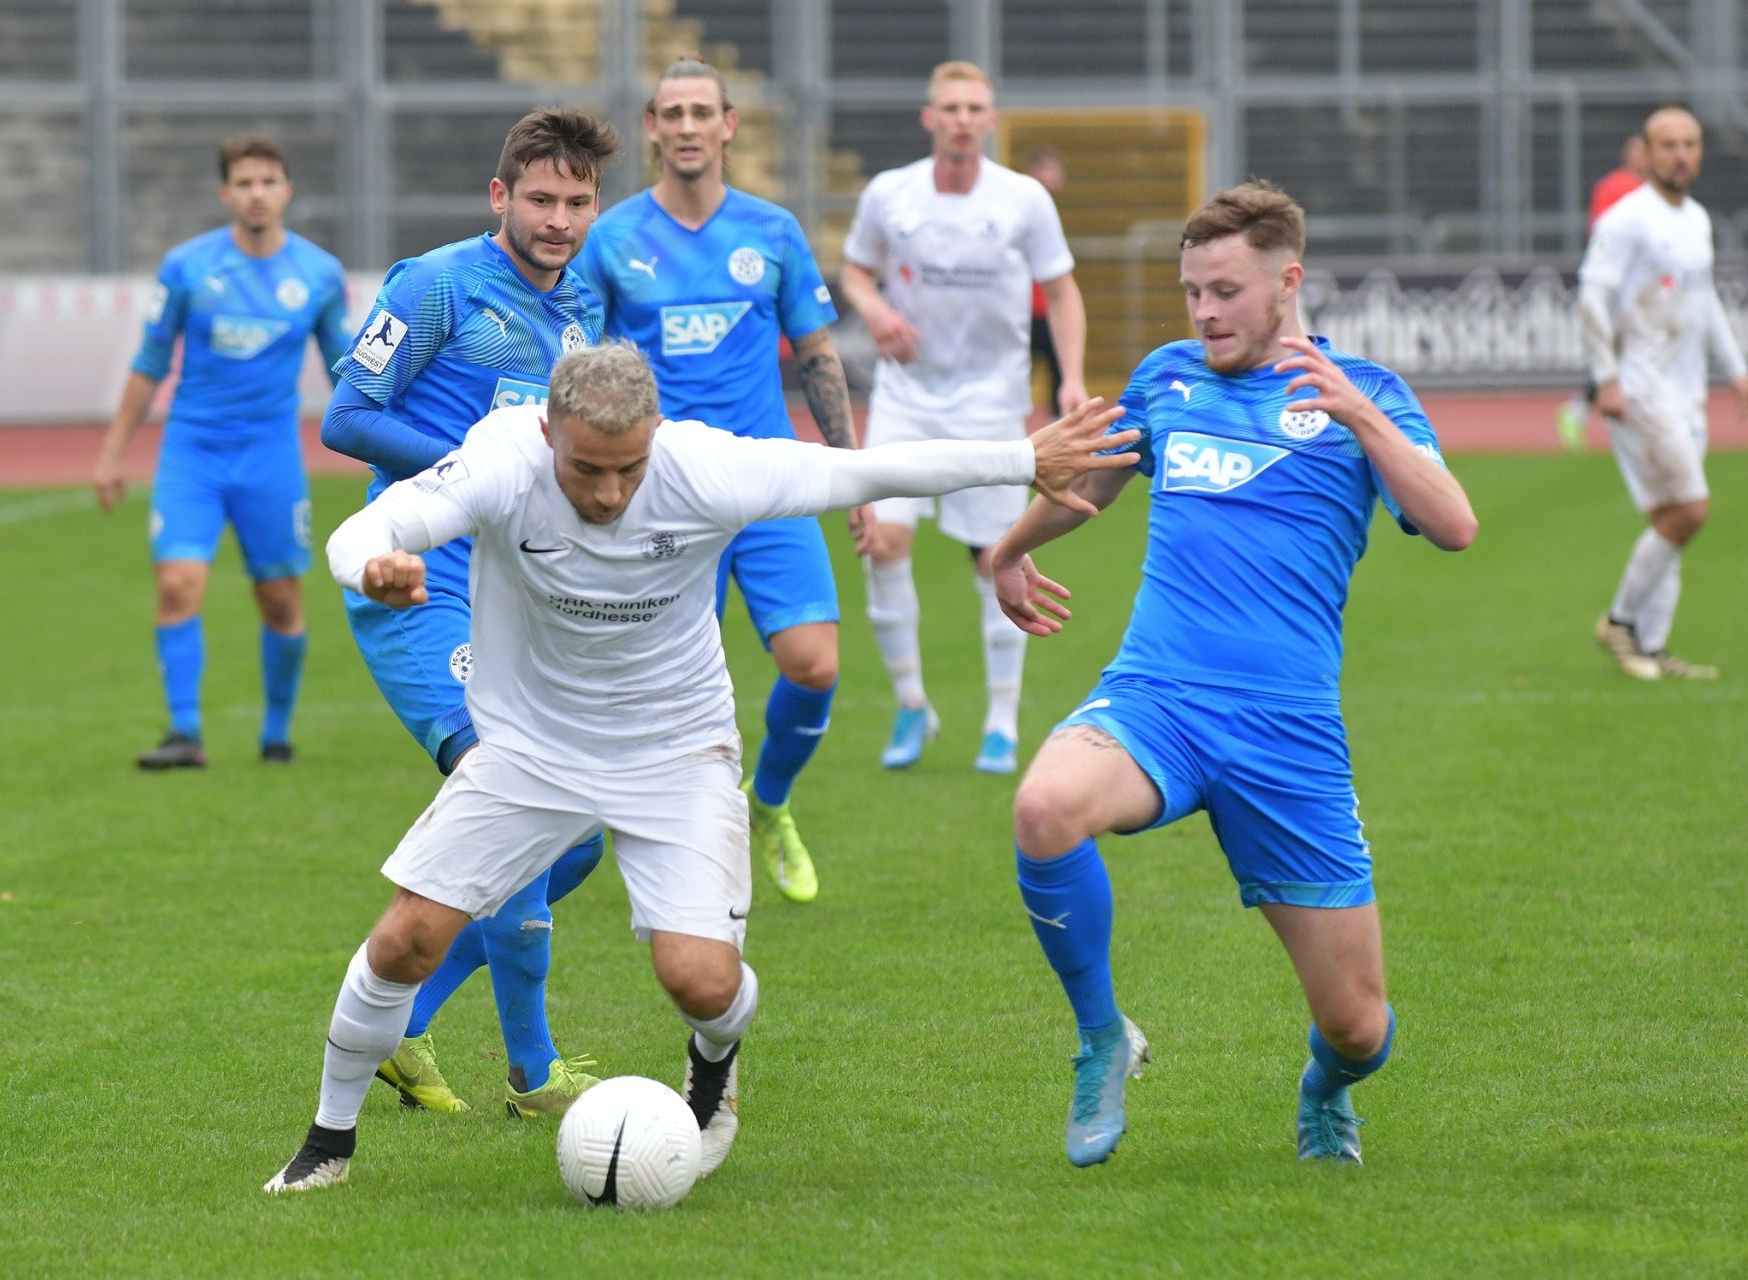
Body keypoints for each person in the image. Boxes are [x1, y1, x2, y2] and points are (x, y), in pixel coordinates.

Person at [262, 340, 1141, 1194]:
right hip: (530, 750)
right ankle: (326, 1144)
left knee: (702, 983)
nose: (609, 492)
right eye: (587, 470)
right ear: (547, 437)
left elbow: (866, 472)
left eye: (629, 469)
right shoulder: (502, 457)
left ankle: (713, 1068)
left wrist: (1021, 456)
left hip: (677, 752)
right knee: (404, 939)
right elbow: (373, 523)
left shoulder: (705, 468)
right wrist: (369, 566)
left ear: (656, 436)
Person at [987, 181, 1477, 1169]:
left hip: (1286, 732)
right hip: (1159, 698)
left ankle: (1325, 1088)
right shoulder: (1169, 378)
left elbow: (1455, 524)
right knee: (1043, 807)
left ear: (1287, 282)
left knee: (1357, 1026)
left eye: (1225, 291)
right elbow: (1090, 483)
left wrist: (1359, 419)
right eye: (1192, 293)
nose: (1205, 313)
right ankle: (1100, 1037)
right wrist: (1007, 550)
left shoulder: (1367, 394)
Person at [317, 108, 618, 1120]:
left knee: (577, 837)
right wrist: (468, 475)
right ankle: (533, 1073)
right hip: (416, 578)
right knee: (518, 791)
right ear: (501, 196)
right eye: (541, 198)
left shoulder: (583, 305)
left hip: (513, 593)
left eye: (578, 202)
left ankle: (405, 1020)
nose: (559, 219)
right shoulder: (434, 283)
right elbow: (347, 416)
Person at [574, 56, 867, 905]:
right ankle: (677, 853)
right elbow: (584, 368)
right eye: (674, 112)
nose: (690, 125)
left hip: (767, 482)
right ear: (654, 128)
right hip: (661, 494)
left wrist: (848, 476)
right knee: (664, 691)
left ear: (729, 125)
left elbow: (816, 354)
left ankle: (768, 804)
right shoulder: (614, 238)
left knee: (814, 665)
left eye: (704, 111)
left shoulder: (772, 231)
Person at [840, 60, 1090, 776]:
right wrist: (877, 307)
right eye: (948, 106)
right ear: (929, 118)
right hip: (906, 398)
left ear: (990, 120)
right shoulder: (891, 193)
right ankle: (913, 706)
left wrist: (1070, 378)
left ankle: (1002, 722)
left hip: (989, 400)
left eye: (973, 106)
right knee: (882, 542)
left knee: (995, 558)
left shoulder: (1023, 200)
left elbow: (1063, 293)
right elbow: (856, 269)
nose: (960, 117)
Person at [92, 134, 351, 769]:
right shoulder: (186, 267)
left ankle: (276, 734)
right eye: (244, 183)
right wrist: (112, 452)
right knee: (178, 583)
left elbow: (347, 367)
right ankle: (185, 734)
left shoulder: (318, 275)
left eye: (268, 181)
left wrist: (387, 440)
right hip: (193, 452)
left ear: (286, 190)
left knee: (281, 599)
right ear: (224, 194)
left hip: (269, 455)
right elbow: (152, 360)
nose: (256, 193)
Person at [1581, 106, 1748, 681]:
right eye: (1669, 145)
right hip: (1642, 387)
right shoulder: (1627, 220)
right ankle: (1620, 621)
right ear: (1648, 152)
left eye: (1690, 143)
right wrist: (1605, 376)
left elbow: (1703, 302)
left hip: (1687, 391)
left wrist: (1734, 367)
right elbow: (1591, 298)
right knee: (1690, 509)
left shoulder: (1698, 219)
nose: (1681, 154)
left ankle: (1652, 647)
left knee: (1669, 518)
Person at [1556, 132, 1653, 451]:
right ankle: (1580, 410)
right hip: (1617, 285)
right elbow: (1602, 233)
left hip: (1641, 285)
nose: (1642, 157)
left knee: (1628, 354)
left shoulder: (1653, 191)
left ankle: (1586, 411)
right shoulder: (1615, 187)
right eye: (1638, 151)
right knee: (1616, 353)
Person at [1024, 148, 1069, 411]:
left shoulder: (1052, 217)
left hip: (1049, 310)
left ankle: (1057, 419)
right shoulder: (1022, 213)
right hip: (1024, 310)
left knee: (1060, 371)